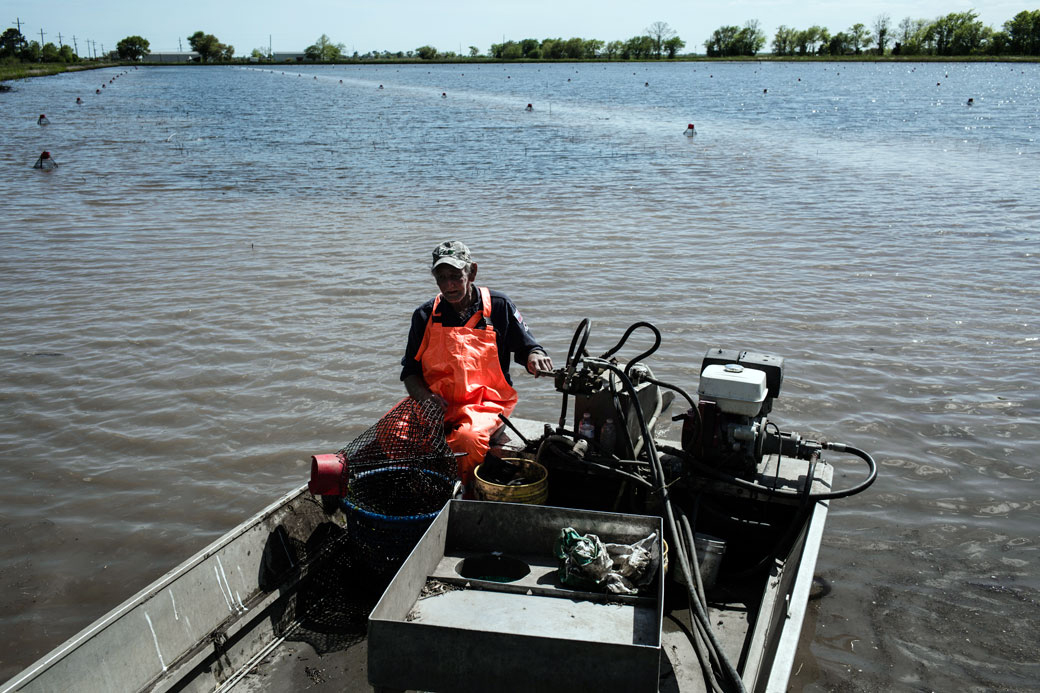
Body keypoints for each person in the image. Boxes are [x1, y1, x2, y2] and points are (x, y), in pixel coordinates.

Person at [401, 241, 553, 489]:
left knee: (466, 441)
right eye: (442, 278)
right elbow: (409, 373)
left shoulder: (499, 306)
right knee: (392, 433)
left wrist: (535, 356)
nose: (449, 285)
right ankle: (424, 489)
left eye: (455, 276)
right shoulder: (425, 315)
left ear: (471, 272)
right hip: (436, 405)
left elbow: (528, 348)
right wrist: (425, 398)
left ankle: (467, 496)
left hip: (485, 405)